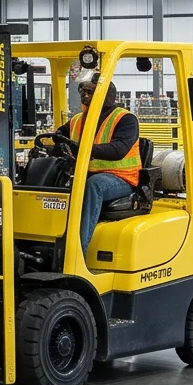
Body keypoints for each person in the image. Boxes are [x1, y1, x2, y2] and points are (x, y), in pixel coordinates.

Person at [62, 64, 142, 264]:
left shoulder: (125, 119)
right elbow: (58, 136)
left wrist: (85, 150)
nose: (85, 95)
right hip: (86, 173)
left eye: (90, 91)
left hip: (121, 178)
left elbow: (119, 149)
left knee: (93, 186)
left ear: (106, 94)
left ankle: (77, 252)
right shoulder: (78, 119)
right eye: (83, 91)